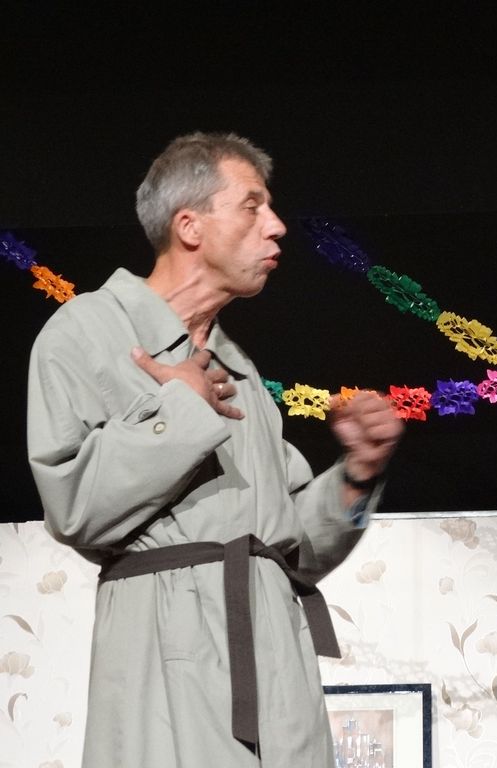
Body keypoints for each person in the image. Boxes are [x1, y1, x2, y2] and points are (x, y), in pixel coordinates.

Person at [26, 132, 404, 767]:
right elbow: (74, 508)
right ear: (190, 226)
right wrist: (179, 410)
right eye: (253, 206)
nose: (276, 226)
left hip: (277, 661)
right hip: (166, 654)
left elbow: (291, 548)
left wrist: (356, 477)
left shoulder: (240, 370)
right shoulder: (87, 332)